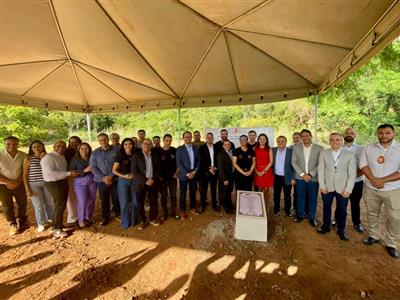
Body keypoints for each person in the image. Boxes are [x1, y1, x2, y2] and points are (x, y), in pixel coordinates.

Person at [360, 124, 400, 259]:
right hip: (371, 188)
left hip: (393, 189)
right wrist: (373, 179)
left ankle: (391, 243)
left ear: (393, 134)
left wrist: (382, 180)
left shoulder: (399, 148)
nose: (384, 135)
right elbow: (363, 165)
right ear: (377, 134)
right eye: (381, 133)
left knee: (395, 217)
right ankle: (373, 235)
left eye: (387, 133)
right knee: (372, 213)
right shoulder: (368, 148)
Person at [317, 133, 356, 241]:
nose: (335, 142)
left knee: (342, 210)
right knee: (326, 208)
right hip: (327, 187)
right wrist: (322, 185)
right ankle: (325, 226)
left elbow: (352, 174)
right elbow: (320, 170)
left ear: (342, 141)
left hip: (343, 188)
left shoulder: (349, 154)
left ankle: (341, 230)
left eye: (337, 140)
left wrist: (348, 189)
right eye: (332, 140)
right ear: (329, 141)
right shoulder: (324, 153)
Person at [41, 141, 79, 238]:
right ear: (53, 146)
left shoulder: (61, 156)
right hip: (53, 183)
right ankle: (56, 229)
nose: (60, 148)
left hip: (61, 182)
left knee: (60, 205)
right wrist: (69, 173)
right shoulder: (48, 158)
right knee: (59, 205)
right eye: (58, 146)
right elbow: (50, 173)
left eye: (63, 146)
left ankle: (57, 224)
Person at [291, 129, 323, 227]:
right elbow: (294, 162)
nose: (305, 137)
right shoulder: (296, 148)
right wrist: (302, 175)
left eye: (307, 135)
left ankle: (312, 217)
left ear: (311, 136)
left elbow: (321, 164)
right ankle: (300, 215)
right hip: (300, 178)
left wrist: (311, 175)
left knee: (313, 198)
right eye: (303, 136)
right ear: (301, 138)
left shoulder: (319, 148)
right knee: (300, 197)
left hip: (313, 178)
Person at [23, 140, 53, 232]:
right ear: (31, 149)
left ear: (42, 147)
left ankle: (51, 219)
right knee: (38, 205)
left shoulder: (47, 157)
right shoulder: (28, 159)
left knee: (50, 203)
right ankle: (41, 223)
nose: (36, 148)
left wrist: (44, 157)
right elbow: (25, 175)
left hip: (47, 183)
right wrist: (27, 189)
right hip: (34, 185)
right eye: (34, 147)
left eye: (38, 146)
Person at [89, 133, 120, 226]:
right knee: (104, 200)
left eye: (105, 139)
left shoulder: (116, 150)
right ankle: (105, 217)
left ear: (108, 139)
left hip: (115, 179)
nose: (103, 141)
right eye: (101, 140)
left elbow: (119, 164)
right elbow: (93, 167)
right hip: (101, 181)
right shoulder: (95, 153)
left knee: (116, 198)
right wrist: (103, 178)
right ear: (98, 141)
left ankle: (118, 214)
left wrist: (111, 176)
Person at [0, 136, 28, 235]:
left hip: (19, 184)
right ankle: (12, 224)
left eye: (14, 144)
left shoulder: (23, 155)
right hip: (3, 185)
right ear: (4, 144)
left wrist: (18, 181)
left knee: (22, 203)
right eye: (8, 144)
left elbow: (25, 170)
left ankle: (22, 221)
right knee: (7, 205)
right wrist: (9, 182)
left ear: (18, 144)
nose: (11, 146)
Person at [132, 138, 160, 230]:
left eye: (149, 144)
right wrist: (145, 180)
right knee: (140, 202)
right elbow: (134, 171)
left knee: (154, 201)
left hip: (153, 181)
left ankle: (153, 218)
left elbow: (158, 169)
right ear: (141, 145)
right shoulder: (136, 155)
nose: (147, 145)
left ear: (151, 145)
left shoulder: (156, 155)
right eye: (145, 144)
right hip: (140, 183)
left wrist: (152, 179)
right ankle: (142, 220)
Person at [342, 127, 365, 232]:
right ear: (343, 135)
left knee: (355, 203)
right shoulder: (339, 148)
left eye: (352, 133)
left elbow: (364, 166)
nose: (349, 134)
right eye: (346, 133)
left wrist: (353, 176)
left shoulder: (361, 149)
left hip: (357, 181)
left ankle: (357, 222)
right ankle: (338, 220)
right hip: (342, 181)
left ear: (355, 136)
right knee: (341, 202)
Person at [69, 143, 97, 228]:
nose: (84, 150)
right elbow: (72, 172)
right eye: (81, 149)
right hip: (80, 182)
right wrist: (84, 170)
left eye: (86, 148)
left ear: (89, 149)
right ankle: (81, 220)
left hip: (92, 180)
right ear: (78, 150)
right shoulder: (75, 159)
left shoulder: (92, 158)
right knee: (82, 201)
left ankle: (89, 217)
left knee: (91, 200)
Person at [176, 131, 201, 219]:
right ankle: (182, 210)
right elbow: (179, 163)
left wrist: (194, 172)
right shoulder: (179, 149)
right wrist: (187, 174)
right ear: (183, 138)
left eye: (190, 137)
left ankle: (192, 207)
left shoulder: (196, 148)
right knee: (183, 193)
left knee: (193, 192)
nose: (188, 138)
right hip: (184, 175)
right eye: (186, 137)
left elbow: (198, 161)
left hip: (193, 174)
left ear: (191, 138)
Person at [113, 138, 136, 229]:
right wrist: (124, 176)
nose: (128, 146)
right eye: (125, 144)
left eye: (130, 144)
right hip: (123, 181)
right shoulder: (120, 155)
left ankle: (134, 221)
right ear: (123, 145)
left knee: (135, 202)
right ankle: (125, 222)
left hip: (135, 181)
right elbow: (114, 170)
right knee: (124, 202)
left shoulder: (136, 154)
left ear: (133, 145)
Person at [272, 136, 295, 216]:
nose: (281, 143)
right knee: (276, 194)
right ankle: (276, 209)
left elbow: (294, 166)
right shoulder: (273, 150)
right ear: (276, 142)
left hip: (287, 177)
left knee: (287, 195)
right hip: (276, 177)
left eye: (283, 141)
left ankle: (287, 210)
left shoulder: (291, 151)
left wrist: (293, 178)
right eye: (279, 141)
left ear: (286, 142)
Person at [64, 136, 82, 227]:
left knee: (81, 197)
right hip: (70, 176)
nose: (73, 144)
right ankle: (72, 218)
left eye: (76, 142)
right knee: (71, 198)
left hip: (82, 176)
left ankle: (82, 215)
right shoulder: (65, 152)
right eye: (71, 142)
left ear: (79, 142)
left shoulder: (82, 150)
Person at [159, 134, 178, 220]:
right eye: (167, 140)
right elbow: (156, 165)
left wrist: (176, 172)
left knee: (173, 195)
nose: (168, 142)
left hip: (172, 177)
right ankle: (165, 212)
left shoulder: (174, 150)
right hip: (162, 178)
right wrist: (159, 176)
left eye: (170, 140)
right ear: (163, 141)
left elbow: (178, 163)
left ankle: (173, 212)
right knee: (164, 196)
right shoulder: (158, 151)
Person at [199, 132, 219, 212]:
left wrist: (215, 168)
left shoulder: (217, 147)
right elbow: (201, 161)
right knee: (204, 189)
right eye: (208, 137)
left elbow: (218, 159)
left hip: (214, 171)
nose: (209, 139)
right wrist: (208, 169)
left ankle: (214, 205)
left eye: (211, 137)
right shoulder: (202, 148)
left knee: (214, 189)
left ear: (213, 138)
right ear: (206, 138)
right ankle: (203, 204)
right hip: (205, 172)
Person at [253, 133, 274, 212]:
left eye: (264, 139)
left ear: (266, 140)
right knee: (259, 189)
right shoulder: (254, 149)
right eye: (260, 139)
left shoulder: (269, 149)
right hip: (257, 171)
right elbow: (253, 162)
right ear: (258, 140)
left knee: (266, 190)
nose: (262, 140)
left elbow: (271, 162)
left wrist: (264, 171)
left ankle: (266, 207)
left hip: (267, 171)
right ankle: (258, 207)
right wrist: (256, 171)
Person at [217, 140, 235, 213]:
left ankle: (230, 205)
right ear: (223, 146)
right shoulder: (221, 154)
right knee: (225, 193)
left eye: (228, 144)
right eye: (225, 144)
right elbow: (220, 168)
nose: (227, 146)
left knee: (228, 191)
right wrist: (224, 179)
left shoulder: (231, 152)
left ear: (230, 145)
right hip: (225, 177)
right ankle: (227, 208)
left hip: (231, 176)